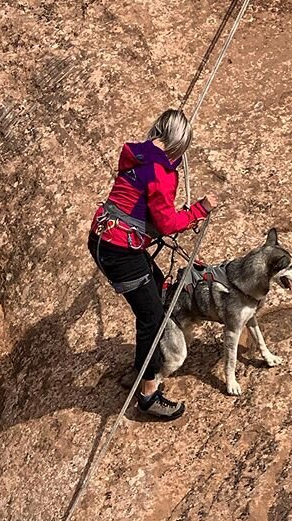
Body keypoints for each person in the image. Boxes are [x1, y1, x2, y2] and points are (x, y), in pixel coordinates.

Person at [88, 109, 217, 420]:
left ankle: (148, 360)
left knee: (159, 288)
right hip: (122, 251)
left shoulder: (136, 153)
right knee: (153, 317)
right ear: (180, 142)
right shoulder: (162, 172)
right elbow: (167, 222)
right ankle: (148, 394)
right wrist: (198, 210)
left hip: (104, 238)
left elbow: (139, 204)